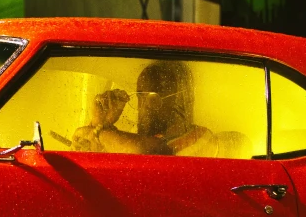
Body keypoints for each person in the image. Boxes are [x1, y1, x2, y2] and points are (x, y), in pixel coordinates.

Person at [71, 61, 218, 157]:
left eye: (154, 96)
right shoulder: (144, 138)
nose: (145, 106)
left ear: (182, 99)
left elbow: (152, 153)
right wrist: (101, 121)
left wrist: (98, 133)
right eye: (140, 96)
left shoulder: (202, 137)